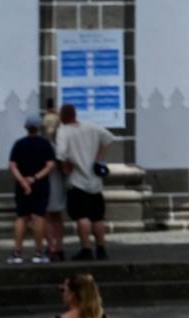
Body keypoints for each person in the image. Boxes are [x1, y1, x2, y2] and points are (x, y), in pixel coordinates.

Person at [54, 104, 115, 260]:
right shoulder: (91, 126)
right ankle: (101, 249)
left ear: (62, 117)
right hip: (95, 181)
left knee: (82, 216)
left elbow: (60, 154)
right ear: (75, 114)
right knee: (97, 217)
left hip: (77, 181)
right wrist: (98, 158)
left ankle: (86, 249)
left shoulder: (64, 131)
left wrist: (65, 168)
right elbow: (109, 138)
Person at [7, 114, 57, 264]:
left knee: (21, 217)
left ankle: (17, 252)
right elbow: (50, 165)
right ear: (40, 127)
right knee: (38, 217)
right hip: (40, 185)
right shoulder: (45, 144)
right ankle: (38, 252)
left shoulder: (19, 144)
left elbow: (12, 166)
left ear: (26, 127)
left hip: (22, 187)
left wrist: (23, 181)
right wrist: (34, 178)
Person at [42, 98, 67, 261]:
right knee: (57, 216)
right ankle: (59, 246)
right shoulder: (61, 141)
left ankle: (51, 246)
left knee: (48, 216)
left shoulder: (45, 143)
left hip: (47, 181)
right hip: (59, 180)